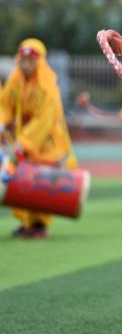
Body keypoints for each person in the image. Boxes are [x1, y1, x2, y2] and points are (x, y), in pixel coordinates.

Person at [0, 38, 77, 239]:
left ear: (39, 61)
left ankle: (39, 225)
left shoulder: (47, 88)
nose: (26, 65)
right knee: (24, 181)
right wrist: (2, 121)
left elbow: (43, 121)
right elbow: (5, 104)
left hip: (46, 144)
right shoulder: (16, 82)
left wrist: (24, 143)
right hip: (26, 141)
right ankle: (27, 222)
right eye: (23, 60)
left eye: (31, 61)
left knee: (42, 183)